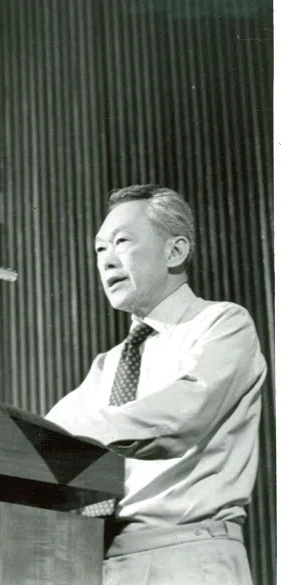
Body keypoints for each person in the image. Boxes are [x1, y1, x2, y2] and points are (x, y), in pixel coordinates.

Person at [44, 184, 267, 585]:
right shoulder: (108, 364)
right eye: (99, 249)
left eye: (121, 242)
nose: (106, 260)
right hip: (102, 561)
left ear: (175, 251)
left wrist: (65, 436)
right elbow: (47, 434)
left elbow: (181, 415)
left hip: (187, 555)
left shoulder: (222, 324)